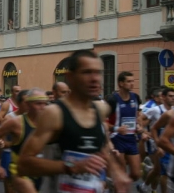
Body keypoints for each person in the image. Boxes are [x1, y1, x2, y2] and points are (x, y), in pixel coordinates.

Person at [17, 50, 131, 192]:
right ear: (70, 77)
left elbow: (103, 145)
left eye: (98, 72)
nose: (95, 78)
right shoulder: (55, 113)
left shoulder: (100, 109)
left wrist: (116, 171)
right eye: (87, 72)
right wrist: (71, 166)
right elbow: (23, 165)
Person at [0, 88, 47, 193]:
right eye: (38, 103)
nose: (43, 107)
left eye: (45, 103)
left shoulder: (47, 122)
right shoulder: (14, 122)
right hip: (18, 169)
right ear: (28, 104)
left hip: (37, 170)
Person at [137, 87, 174, 193]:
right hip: (156, 144)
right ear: (163, 97)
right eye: (170, 96)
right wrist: (143, 131)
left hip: (171, 144)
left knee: (157, 170)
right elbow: (141, 118)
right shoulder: (156, 110)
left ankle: (144, 186)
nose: (173, 98)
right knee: (164, 172)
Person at [106, 71, 141, 182]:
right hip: (117, 139)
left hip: (131, 139)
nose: (132, 84)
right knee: (121, 173)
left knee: (136, 174)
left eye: (133, 81)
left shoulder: (135, 97)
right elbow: (102, 122)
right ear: (121, 83)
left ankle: (117, 184)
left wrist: (139, 126)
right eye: (129, 81)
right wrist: (116, 129)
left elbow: (137, 117)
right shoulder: (112, 99)